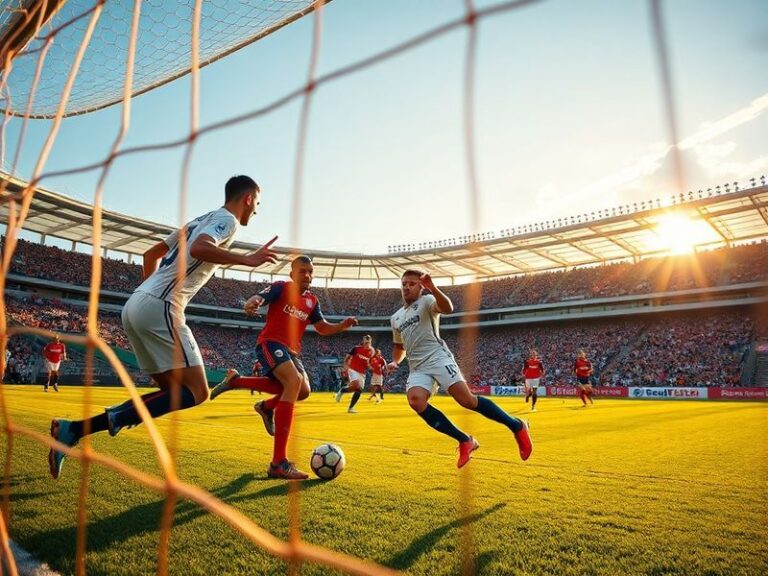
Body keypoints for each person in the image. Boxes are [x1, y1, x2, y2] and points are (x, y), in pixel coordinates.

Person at [48, 175, 277, 479]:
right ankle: (83, 427)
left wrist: (147, 293)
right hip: (162, 305)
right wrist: (247, 260)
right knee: (198, 392)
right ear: (248, 198)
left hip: (136, 304)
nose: (256, 210)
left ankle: (73, 431)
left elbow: (150, 254)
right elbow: (200, 249)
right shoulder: (227, 220)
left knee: (171, 394)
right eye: (257, 203)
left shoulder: (198, 220)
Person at [209, 256, 358, 480]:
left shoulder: (312, 301)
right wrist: (252, 301)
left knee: (303, 391)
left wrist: (341, 326)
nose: (307, 275)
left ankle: (251, 394)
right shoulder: (281, 288)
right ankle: (278, 463)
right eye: (302, 271)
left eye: (310, 271)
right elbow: (260, 296)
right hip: (270, 342)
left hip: (293, 351)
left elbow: (321, 328)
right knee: (293, 382)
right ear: (292, 274)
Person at [388, 270, 532, 468]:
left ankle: (517, 425)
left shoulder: (427, 301)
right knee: (416, 400)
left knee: (467, 400)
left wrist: (433, 287)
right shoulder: (395, 318)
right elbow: (399, 347)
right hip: (417, 366)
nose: (406, 287)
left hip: (438, 357)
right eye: (404, 283)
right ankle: (465, 440)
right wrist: (395, 362)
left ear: (421, 287)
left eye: (412, 283)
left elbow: (447, 308)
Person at [335, 335, 375, 413]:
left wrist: (371, 367)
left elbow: (369, 362)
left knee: (358, 390)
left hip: (362, 372)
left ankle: (348, 402)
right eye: (366, 343)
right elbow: (347, 357)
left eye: (369, 343)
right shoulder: (356, 349)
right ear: (363, 342)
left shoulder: (372, 351)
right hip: (353, 369)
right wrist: (345, 367)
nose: (367, 344)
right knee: (357, 385)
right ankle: (345, 395)